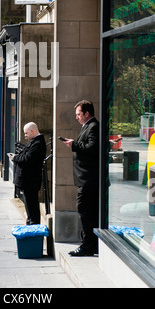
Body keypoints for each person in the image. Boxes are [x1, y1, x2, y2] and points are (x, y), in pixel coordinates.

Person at [62, 100, 99, 257]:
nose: (76, 117)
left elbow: (92, 147)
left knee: (84, 210)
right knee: (88, 211)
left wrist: (74, 145)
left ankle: (87, 245)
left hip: (88, 179)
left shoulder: (93, 126)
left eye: (78, 114)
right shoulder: (88, 126)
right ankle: (91, 244)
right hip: (86, 178)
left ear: (86, 114)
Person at [9, 122, 46, 225]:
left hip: (30, 181)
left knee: (32, 206)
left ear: (32, 131)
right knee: (29, 207)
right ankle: (30, 224)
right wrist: (17, 157)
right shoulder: (35, 142)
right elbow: (25, 156)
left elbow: (27, 159)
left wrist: (15, 158)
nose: (25, 136)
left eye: (26, 133)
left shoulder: (38, 143)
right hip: (28, 181)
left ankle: (33, 227)